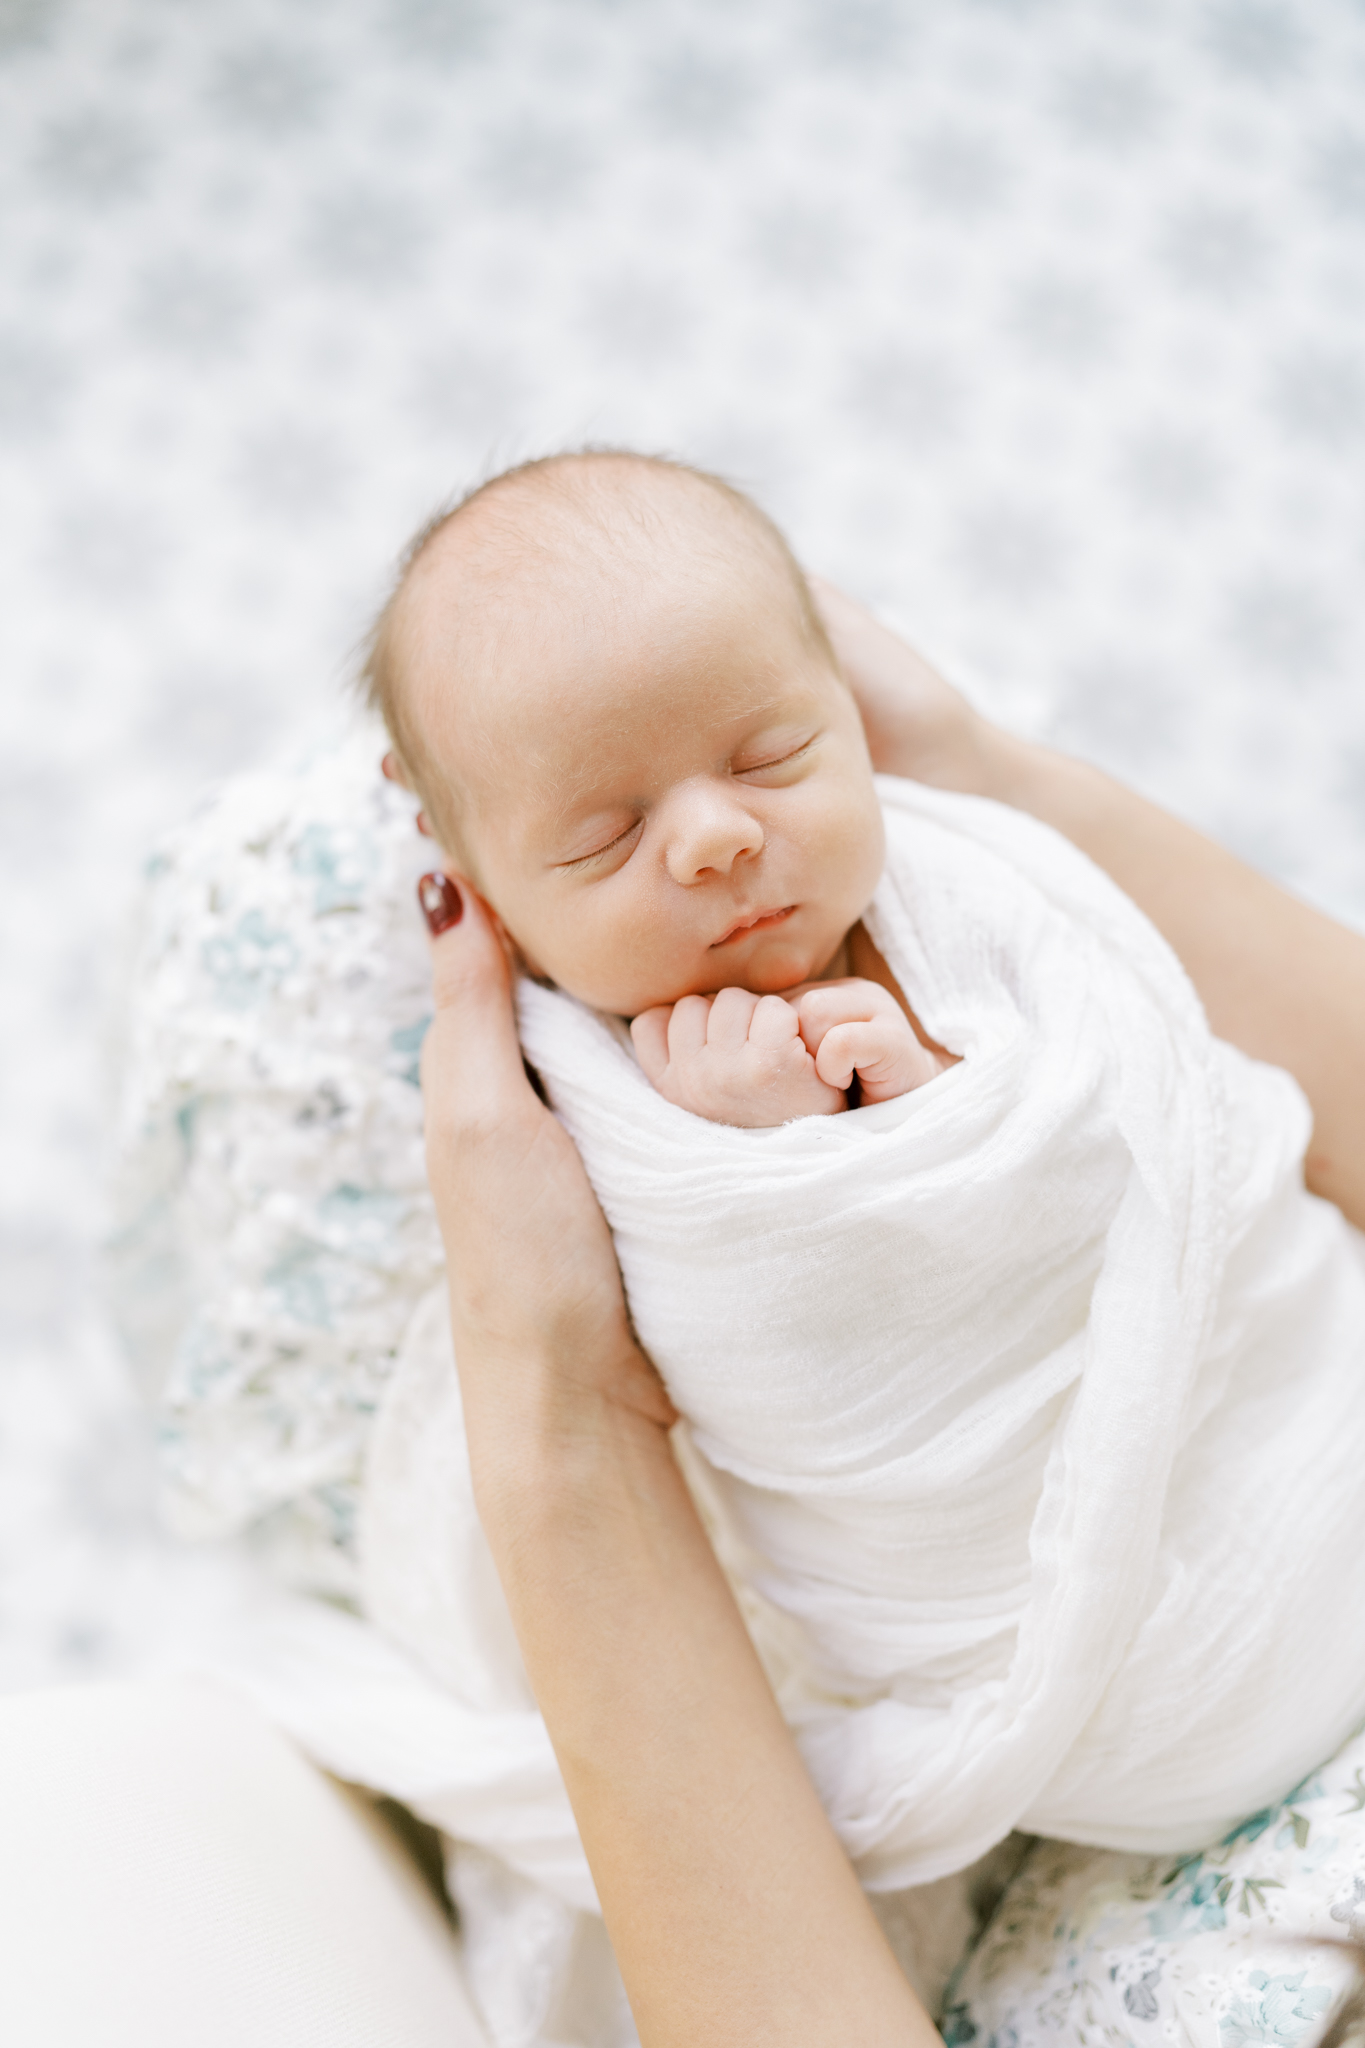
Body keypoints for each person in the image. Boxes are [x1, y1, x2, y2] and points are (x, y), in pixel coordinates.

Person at [369, 449, 1365, 1906]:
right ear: (489, 892)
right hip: (1119, 1689)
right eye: (604, 833)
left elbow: (1139, 1104)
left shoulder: (981, 887)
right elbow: (751, 1363)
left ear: (842, 699)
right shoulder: (574, 1107)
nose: (715, 836)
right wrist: (786, 1160)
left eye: (771, 753)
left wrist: (942, 1110)